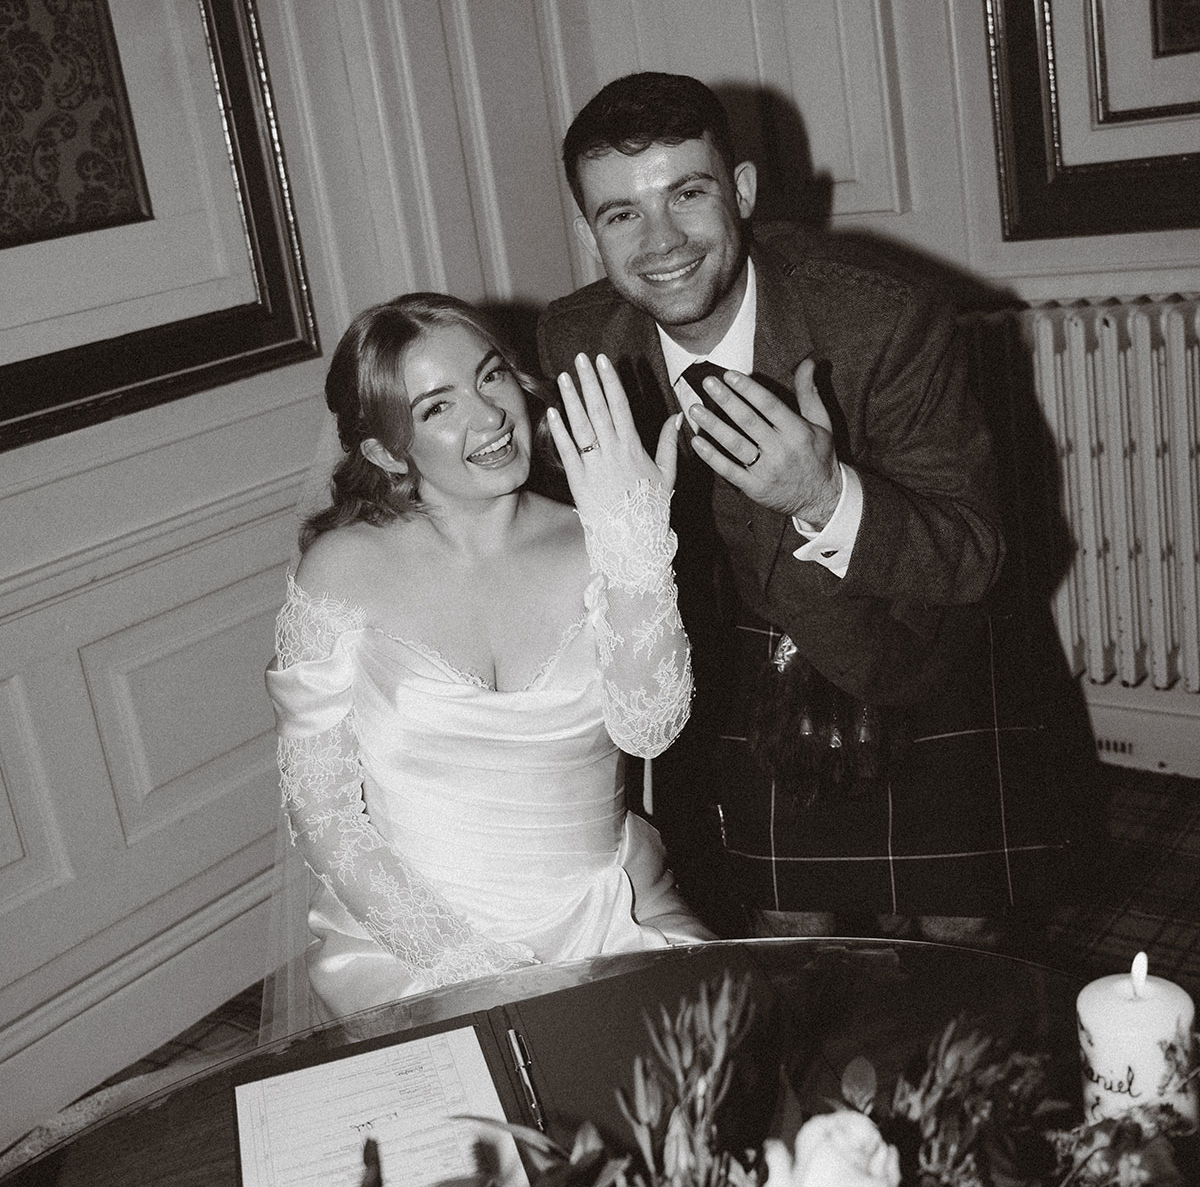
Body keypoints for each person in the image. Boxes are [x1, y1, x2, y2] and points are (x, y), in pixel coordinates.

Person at [539, 71, 1073, 943]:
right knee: (788, 931)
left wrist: (822, 496)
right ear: (587, 229)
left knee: (955, 937)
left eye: (688, 193)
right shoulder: (576, 341)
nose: (661, 240)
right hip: (742, 645)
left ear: (742, 191)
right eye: (621, 213)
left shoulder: (883, 320)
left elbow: (975, 553)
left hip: (912, 625)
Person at [265, 291, 711, 1025]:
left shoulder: (604, 535)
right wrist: (471, 970)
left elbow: (650, 730)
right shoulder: (341, 571)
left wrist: (637, 553)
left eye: (492, 376)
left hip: (610, 918)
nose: (489, 414)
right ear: (384, 448)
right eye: (438, 407)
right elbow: (324, 811)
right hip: (417, 947)